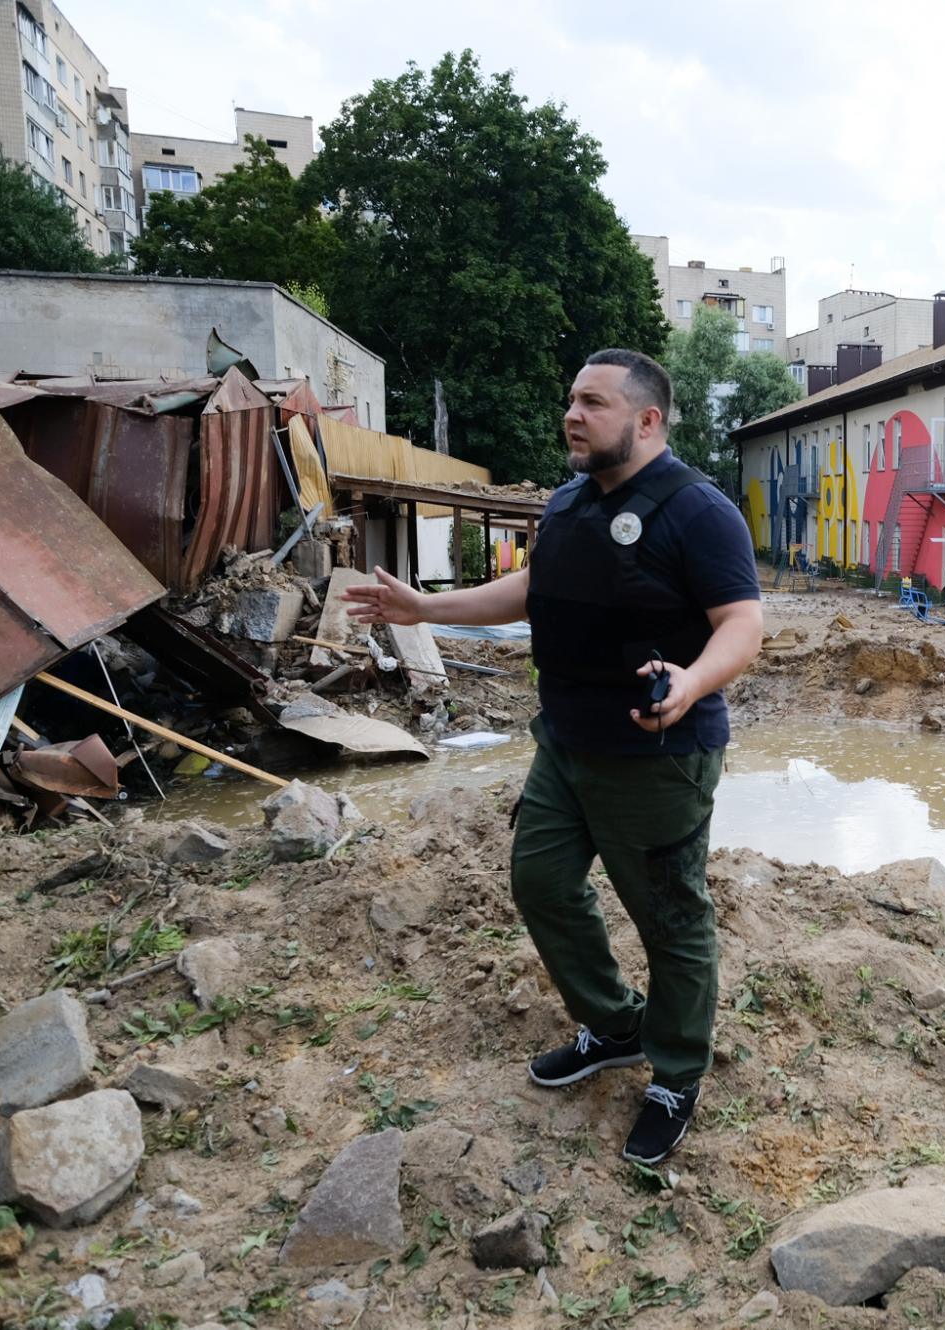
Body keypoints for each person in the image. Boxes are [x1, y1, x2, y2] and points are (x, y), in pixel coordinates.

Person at [342, 349, 763, 1164]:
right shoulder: (568, 502)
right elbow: (532, 592)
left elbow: (742, 623)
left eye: (593, 403)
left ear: (647, 421)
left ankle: (676, 1072)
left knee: (671, 921)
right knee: (539, 881)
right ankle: (614, 1025)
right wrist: (424, 605)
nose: (572, 415)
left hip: (656, 756)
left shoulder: (698, 511)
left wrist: (691, 679)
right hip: (565, 745)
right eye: (570, 399)